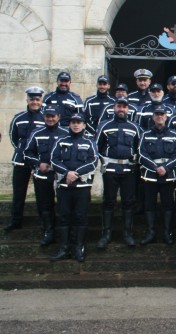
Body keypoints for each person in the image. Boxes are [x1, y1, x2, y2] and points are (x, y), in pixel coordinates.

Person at [50, 113, 98, 262]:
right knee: (64, 217)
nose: (76, 125)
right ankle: (64, 248)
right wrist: (66, 173)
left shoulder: (90, 142)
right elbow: (54, 159)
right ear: (69, 124)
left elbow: (93, 161)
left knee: (80, 216)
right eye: (73, 122)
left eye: (79, 122)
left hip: (82, 186)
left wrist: (76, 174)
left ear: (84, 125)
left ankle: (79, 248)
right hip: (64, 186)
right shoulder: (61, 141)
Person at [95, 97, 143, 249]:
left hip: (128, 170)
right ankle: (106, 234)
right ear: (114, 108)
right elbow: (97, 147)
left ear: (128, 109)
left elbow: (139, 148)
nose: (121, 109)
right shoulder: (105, 125)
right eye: (119, 106)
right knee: (108, 201)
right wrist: (104, 163)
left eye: (124, 107)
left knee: (128, 202)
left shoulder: (135, 127)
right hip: (110, 169)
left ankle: (128, 234)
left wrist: (135, 159)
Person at [23, 106, 68, 245]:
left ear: (58, 117)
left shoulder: (66, 133)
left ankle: (64, 234)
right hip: (43, 176)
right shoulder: (36, 133)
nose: (50, 118)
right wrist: (38, 163)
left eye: (53, 116)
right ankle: (48, 232)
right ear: (44, 117)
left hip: (61, 176)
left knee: (64, 206)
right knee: (45, 206)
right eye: (48, 116)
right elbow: (27, 153)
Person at [138, 105, 176, 245]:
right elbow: (141, 154)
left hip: (168, 175)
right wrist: (155, 167)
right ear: (153, 117)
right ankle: (151, 232)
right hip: (150, 175)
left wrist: (166, 167)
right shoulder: (145, 134)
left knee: (168, 205)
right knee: (149, 205)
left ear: (166, 116)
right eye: (157, 114)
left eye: (162, 114)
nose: (159, 117)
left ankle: (167, 232)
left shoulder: (174, 134)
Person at [6, 87, 46, 232]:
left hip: (38, 161)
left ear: (41, 101)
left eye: (37, 99)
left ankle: (44, 223)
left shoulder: (45, 118)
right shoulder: (19, 117)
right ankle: (16, 221)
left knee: (42, 194)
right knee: (18, 193)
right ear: (27, 100)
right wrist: (22, 150)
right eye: (32, 99)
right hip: (21, 160)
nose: (35, 102)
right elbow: (13, 137)